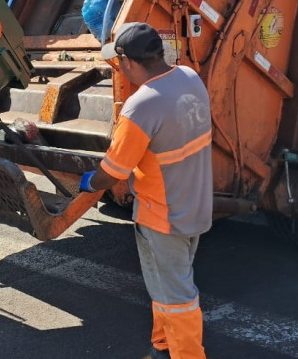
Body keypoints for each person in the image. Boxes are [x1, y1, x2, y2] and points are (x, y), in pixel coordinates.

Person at [80, 22, 213, 359]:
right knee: (164, 285)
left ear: (128, 61)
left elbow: (114, 172)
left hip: (162, 215)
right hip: (195, 205)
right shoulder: (190, 78)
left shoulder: (142, 106)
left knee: (178, 295)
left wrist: (90, 183)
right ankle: (163, 345)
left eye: (118, 61)